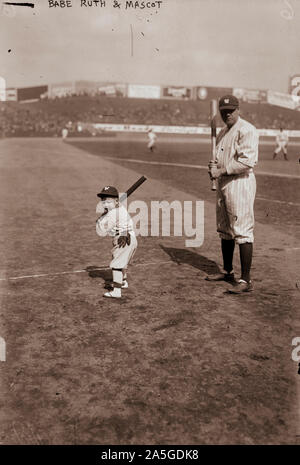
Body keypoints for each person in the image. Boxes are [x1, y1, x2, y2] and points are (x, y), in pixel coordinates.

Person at [207, 95, 259, 293]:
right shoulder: (222, 132)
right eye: (224, 111)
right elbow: (220, 160)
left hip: (240, 184)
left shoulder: (247, 130)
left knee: (242, 230)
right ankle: (228, 271)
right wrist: (213, 167)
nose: (227, 114)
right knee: (224, 228)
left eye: (231, 110)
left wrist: (219, 171)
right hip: (224, 183)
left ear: (238, 109)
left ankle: (245, 280)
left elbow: (247, 162)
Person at [96, 186, 137, 299]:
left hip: (123, 239)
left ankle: (117, 291)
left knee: (117, 265)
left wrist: (100, 220)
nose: (105, 204)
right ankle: (123, 282)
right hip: (130, 238)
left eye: (109, 201)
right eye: (103, 201)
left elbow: (104, 230)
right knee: (121, 261)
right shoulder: (117, 208)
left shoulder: (114, 213)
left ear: (116, 201)